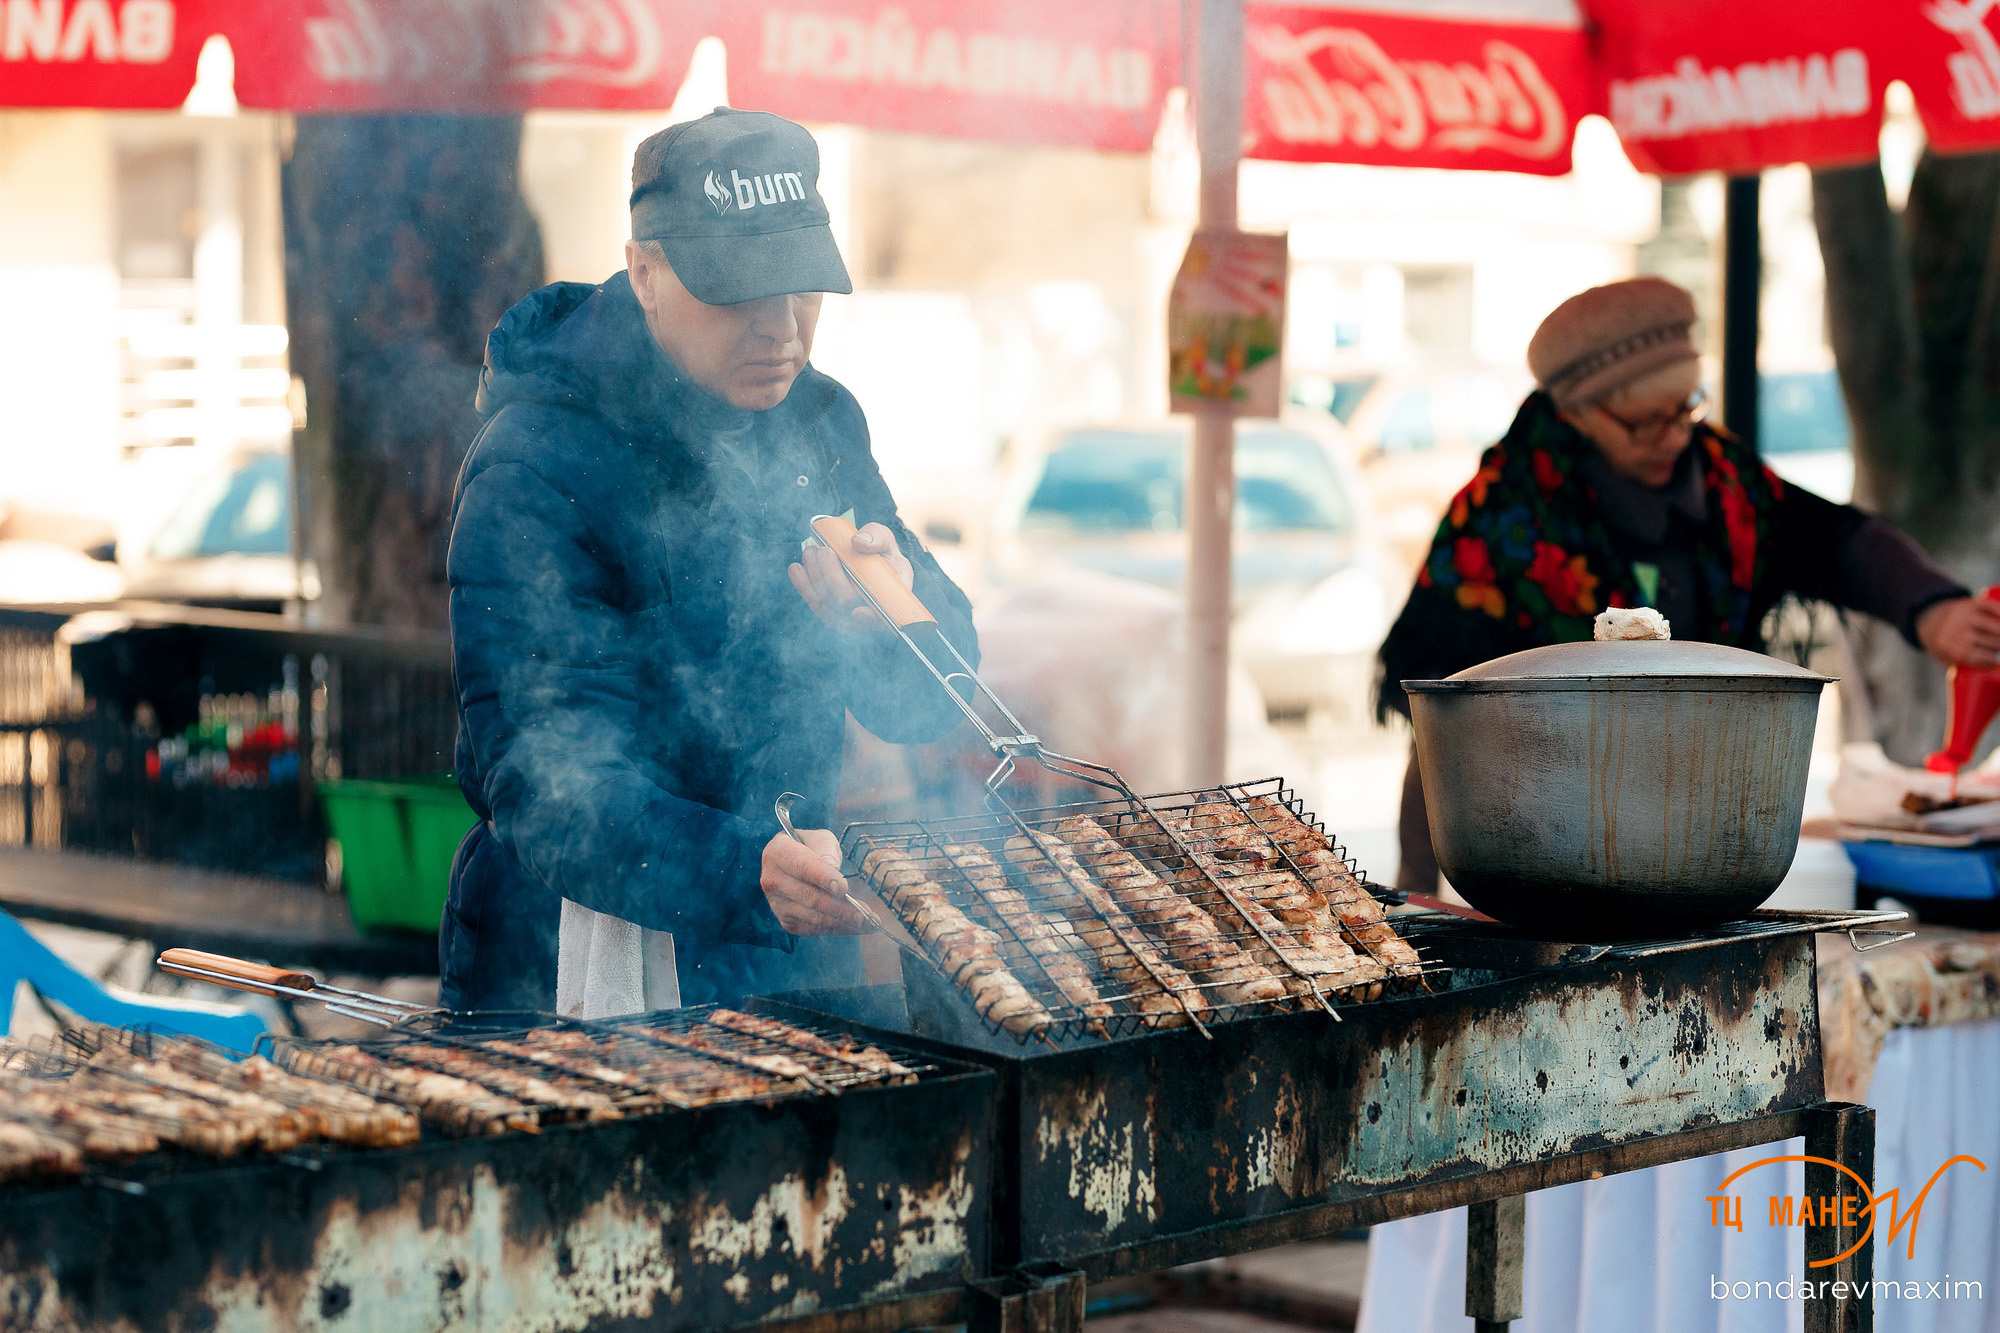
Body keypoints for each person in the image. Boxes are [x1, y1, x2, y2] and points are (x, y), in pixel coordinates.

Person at [441, 109, 978, 1012]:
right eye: (741, 291)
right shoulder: (537, 460)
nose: (784, 330)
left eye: (802, 288)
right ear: (646, 271)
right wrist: (739, 869)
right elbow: (541, 777)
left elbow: (936, 694)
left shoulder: (821, 426)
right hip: (566, 971)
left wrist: (885, 623)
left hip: (788, 955)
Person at [1377, 276, 2000, 896]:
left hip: (1699, 828)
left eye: (1685, 410)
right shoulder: (1501, 518)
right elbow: (1438, 721)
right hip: (1550, 838)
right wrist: (1417, 886)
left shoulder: (1724, 478)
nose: (1674, 437)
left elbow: (1838, 541)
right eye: (1644, 424)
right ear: (1579, 414)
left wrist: (1934, 609)